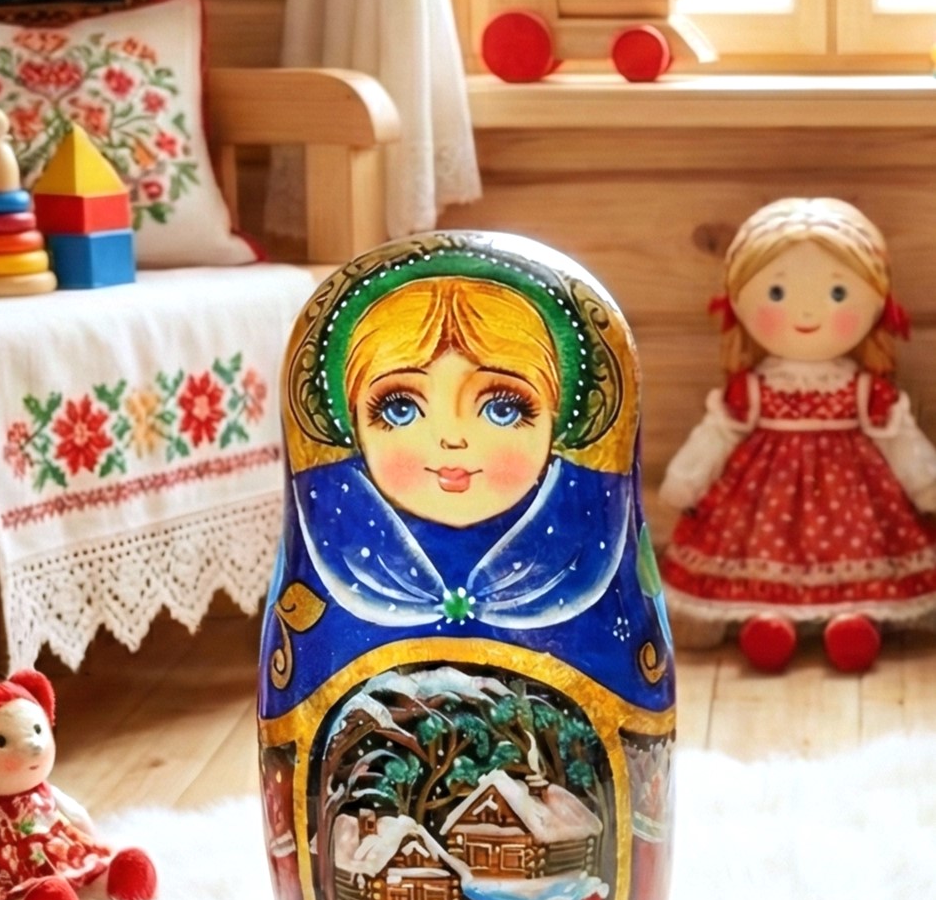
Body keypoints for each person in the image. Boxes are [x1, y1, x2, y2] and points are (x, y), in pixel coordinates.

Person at [260, 235, 674, 721]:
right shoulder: (336, 562)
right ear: (350, 426)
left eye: (502, 408)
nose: (452, 438)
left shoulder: (583, 564)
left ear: (561, 422)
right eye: (400, 408)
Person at [659, 196, 936, 673]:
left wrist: (926, 484)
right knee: (759, 557)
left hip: (852, 506)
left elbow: (900, 440)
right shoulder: (751, 390)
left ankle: (852, 621)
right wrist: (685, 480)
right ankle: (770, 622)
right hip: (764, 503)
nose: (807, 311)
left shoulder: (867, 392)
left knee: (859, 557)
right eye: (777, 293)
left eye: (838, 293)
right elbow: (716, 434)